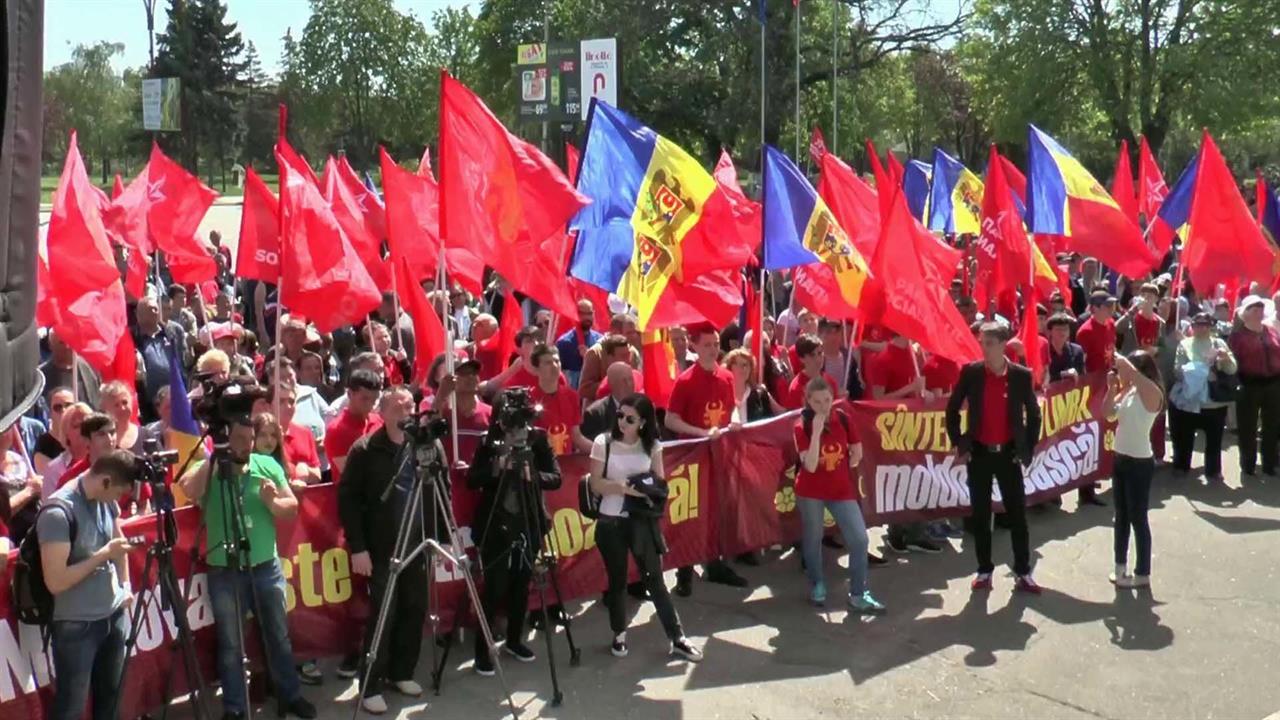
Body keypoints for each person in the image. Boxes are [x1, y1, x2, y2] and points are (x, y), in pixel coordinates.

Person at [176, 416, 314, 720]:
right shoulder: (213, 468)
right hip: (225, 570)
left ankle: (289, 695)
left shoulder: (267, 465)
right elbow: (188, 490)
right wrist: (214, 457)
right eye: (238, 439)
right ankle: (235, 708)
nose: (245, 445)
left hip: (266, 567)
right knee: (231, 643)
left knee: (278, 635)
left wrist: (272, 501)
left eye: (249, 439)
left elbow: (290, 509)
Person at [589, 394, 703, 662]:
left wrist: (646, 488)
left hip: (641, 521)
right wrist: (623, 487)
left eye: (629, 418)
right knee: (617, 582)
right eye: (619, 416)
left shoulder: (651, 446)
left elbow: (660, 482)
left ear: (642, 422)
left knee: (655, 579)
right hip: (610, 520)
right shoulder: (603, 443)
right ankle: (619, 634)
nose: (622, 422)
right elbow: (595, 483)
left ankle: (677, 638)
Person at [339, 387, 429, 714]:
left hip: (416, 544)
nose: (406, 412)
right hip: (381, 548)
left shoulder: (421, 445)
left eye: (409, 406)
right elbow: (347, 500)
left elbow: (440, 484)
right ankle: (371, 684)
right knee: (383, 615)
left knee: (414, 607)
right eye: (398, 407)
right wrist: (357, 547)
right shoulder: (365, 450)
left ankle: (401, 672)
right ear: (384, 412)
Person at [467, 389, 562, 676]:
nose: (519, 429)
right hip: (496, 524)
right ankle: (482, 651)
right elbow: (473, 479)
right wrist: (498, 466)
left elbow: (556, 478)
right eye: (513, 422)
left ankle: (514, 640)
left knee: (522, 583)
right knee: (495, 586)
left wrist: (531, 474)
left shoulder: (538, 438)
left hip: (529, 520)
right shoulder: (489, 441)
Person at [38, 450, 138, 720]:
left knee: (112, 699)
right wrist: (103, 555)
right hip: (77, 625)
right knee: (71, 707)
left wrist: (126, 586)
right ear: (105, 481)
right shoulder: (58, 512)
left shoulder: (105, 499)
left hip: (113, 615)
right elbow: (56, 581)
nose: (118, 502)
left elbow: (119, 543)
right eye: (117, 493)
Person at [945, 322, 1043, 594]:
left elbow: (1034, 415)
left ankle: (1023, 571)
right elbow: (952, 409)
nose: (984, 349)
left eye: (989, 343)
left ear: (1002, 345)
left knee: (1017, 515)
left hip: (1008, 455)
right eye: (982, 343)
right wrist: (960, 444)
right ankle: (984, 569)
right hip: (979, 454)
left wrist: (1026, 449)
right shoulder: (972, 373)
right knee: (980, 515)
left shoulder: (1021, 376)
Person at [665, 324, 746, 595]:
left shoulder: (726, 376)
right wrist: (701, 433)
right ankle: (684, 572)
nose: (712, 349)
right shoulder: (686, 380)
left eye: (715, 344)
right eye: (707, 345)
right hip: (693, 456)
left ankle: (715, 564)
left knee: (716, 511)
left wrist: (734, 421)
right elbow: (670, 419)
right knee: (691, 514)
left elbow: (732, 406)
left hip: (719, 455)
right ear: (695, 347)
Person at [793, 378, 885, 613]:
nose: (823, 406)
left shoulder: (843, 418)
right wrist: (815, 433)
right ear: (808, 401)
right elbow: (811, 466)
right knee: (813, 538)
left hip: (840, 489)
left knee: (859, 539)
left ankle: (858, 593)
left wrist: (850, 457)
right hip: (811, 491)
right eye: (817, 401)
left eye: (827, 400)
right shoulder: (801, 425)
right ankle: (817, 583)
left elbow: (857, 453)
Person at [865, 332, 943, 555]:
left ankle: (916, 532)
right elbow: (878, 399)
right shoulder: (882, 359)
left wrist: (924, 393)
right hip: (894, 428)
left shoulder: (915, 353)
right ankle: (898, 533)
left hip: (915, 425)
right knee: (899, 479)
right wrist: (909, 390)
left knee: (920, 476)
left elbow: (919, 388)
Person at [1104, 351, 1165, 588]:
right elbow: (1107, 413)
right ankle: (1120, 567)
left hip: (1140, 462)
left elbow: (1136, 376)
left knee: (1138, 518)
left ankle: (1143, 573)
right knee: (1121, 516)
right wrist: (1111, 388)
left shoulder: (1152, 393)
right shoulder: (1128, 391)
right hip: (1121, 458)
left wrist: (1126, 366)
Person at [1169, 313, 1237, 481]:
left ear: (1210, 326)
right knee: (1184, 437)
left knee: (1214, 439)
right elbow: (1178, 370)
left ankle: (1213, 470)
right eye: (1198, 324)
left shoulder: (1219, 343)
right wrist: (1196, 371)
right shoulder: (1184, 344)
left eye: (1206, 325)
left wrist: (1226, 358)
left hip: (1213, 403)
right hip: (1190, 400)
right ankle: (1181, 465)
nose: (1202, 328)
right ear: (1192, 326)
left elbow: (1232, 369)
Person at [1228, 295, 1280, 477]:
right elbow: (1233, 363)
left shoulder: (1271, 331)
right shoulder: (1238, 337)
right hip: (1249, 384)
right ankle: (1248, 464)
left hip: (1273, 383)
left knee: (1272, 425)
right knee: (1248, 427)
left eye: (1260, 307)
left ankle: (1269, 463)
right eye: (1254, 308)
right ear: (1245, 313)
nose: (1258, 311)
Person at [528, 345, 589, 455]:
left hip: (566, 464)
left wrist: (602, 452)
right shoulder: (528, 400)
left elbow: (577, 436)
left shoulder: (572, 396)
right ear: (536, 369)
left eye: (557, 361)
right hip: (540, 465)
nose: (554, 366)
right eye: (548, 363)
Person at [324, 369, 385, 476]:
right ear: (349, 394)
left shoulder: (379, 421)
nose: (370, 404)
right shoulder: (337, 431)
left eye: (374, 399)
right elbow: (352, 475)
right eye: (364, 399)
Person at [0, 424, 42, 542]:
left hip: (34, 536)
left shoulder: (19, 459)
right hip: (9, 544)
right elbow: (2, 513)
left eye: (7, 428)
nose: (4, 433)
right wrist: (29, 492)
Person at [42, 403, 94, 498]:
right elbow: (49, 506)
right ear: (66, 433)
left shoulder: (104, 461)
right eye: (76, 426)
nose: (84, 429)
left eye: (87, 424)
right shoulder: (53, 469)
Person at [41, 329, 102, 408]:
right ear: (51, 345)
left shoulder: (90, 370)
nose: (67, 347)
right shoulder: (42, 377)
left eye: (70, 342)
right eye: (62, 342)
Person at [581, 362, 634, 443]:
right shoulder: (595, 414)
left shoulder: (644, 408)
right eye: (623, 380)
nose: (629, 384)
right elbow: (592, 449)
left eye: (630, 379)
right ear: (611, 384)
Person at [726, 348, 784, 421]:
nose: (744, 368)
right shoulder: (723, 394)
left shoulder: (760, 394)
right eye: (739, 364)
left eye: (746, 365)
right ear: (730, 367)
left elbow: (780, 415)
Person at [555, 299, 602, 388]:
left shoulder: (601, 340)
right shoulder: (564, 343)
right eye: (582, 314)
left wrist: (589, 358)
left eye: (590, 313)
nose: (587, 317)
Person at [783, 335, 837, 410]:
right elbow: (794, 419)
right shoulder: (796, 388)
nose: (818, 359)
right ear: (802, 359)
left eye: (820, 353)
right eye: (812, 355)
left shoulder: (830, 382)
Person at [33, 387, 76, 474]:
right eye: (57, 407)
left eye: (69, 406)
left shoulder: (85, 437)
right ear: (50, 413)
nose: (64, 411)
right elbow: (51, 476)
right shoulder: (44, 444)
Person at [99, 380, 143, 454]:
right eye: (116, 405)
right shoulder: (102, 440)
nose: (122, 408)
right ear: (105, 410)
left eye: (125, 402)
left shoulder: (147, 435)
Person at [1043, 313, 1086, 383]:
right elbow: (1044, 378)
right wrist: (1063, 374)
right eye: (1058, 329)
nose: (1062, 332)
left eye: (1065, 329)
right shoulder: (1044, 350)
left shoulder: (1077, 351)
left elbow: (1082, 376)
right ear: (1050, 332)